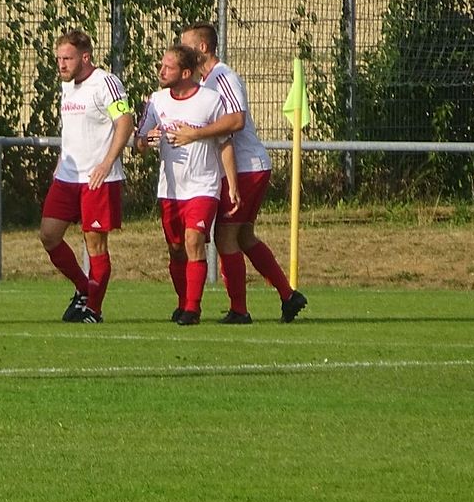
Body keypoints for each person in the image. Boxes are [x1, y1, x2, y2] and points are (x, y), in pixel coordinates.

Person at [171, 22, 308, 324]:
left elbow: (237, 121)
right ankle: (288, 296)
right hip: (246, 168)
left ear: (202, 48)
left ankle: (240, 310)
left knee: (226, 237)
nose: (181, 51)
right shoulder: (207, 81)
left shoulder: (224, 78)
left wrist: (196, 133)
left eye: (186, 45)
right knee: (244, 236)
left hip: (246, 167)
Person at [136, 45, 240, 326]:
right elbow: (138, 142)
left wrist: (232, 183)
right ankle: (183, 303)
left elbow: (225, 142)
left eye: (168, 67)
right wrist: (148, 139)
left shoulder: (210, 100)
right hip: (170, 190)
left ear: (184, 73)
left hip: (202, 187)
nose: (161, 71)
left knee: (194, 241)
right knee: (176, 248)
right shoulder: (156, 101)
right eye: (161, 65)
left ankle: (193, 309)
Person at [39, 30, 133, 323]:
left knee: (95, 246)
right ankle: (83, 288)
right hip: (67, 178)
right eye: (58, 59)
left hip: (97, 179)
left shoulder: (106, 82)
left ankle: (94, 309)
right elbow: (73, 131)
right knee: (49, 235)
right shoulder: (67, 87)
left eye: (67, 58)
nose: (61, 65)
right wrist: (59, 164)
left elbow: (125, 122)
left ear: (85, 57)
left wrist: (107, 163)